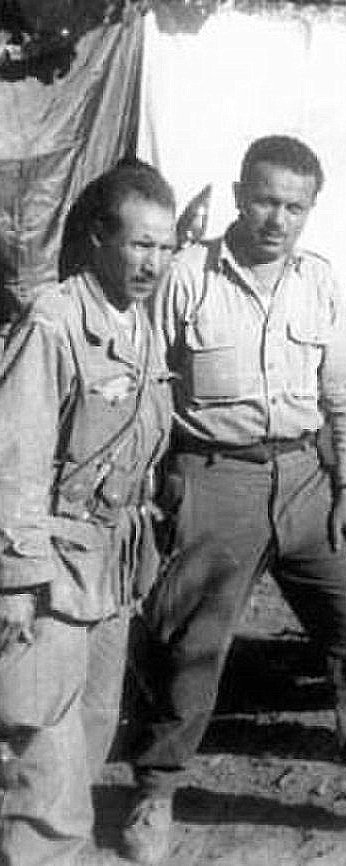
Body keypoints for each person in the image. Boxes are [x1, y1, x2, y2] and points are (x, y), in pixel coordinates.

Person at [120, 135, 346, 864]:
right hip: (214, 478)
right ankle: (156, 789)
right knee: (189, 639)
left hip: (305, 478)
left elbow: (344, 395)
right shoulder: (185, 277)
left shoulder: (317, 282)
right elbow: (148, 390)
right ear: (240, 195)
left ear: (310, 211)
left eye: (294, 207)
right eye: (266, 200)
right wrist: (157, 494)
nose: (277, 218)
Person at [0, 161, 176, 865]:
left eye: (163, 248)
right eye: (138, 245)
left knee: (93, 724)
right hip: (49, 565)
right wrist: (15, 581)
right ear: (99, 238)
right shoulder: (54, 320)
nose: (151, 263)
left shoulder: (137, 322)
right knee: (41, 733)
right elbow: (13, 457)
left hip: (112, 561)